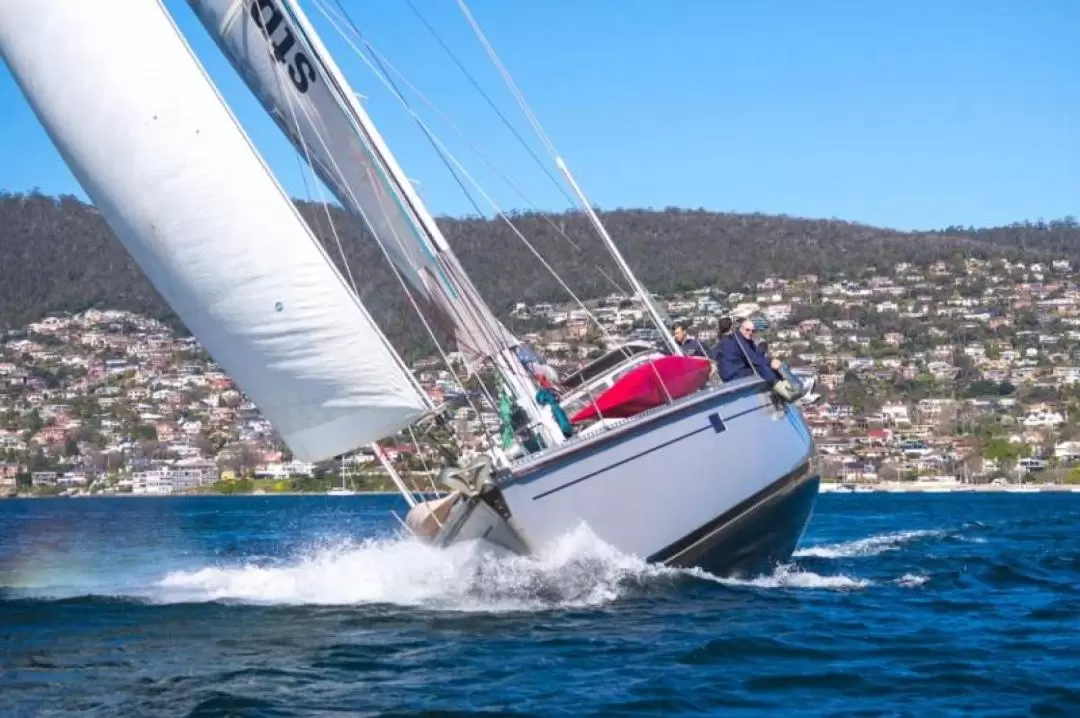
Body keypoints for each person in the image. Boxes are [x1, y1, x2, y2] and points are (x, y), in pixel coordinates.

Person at [714, 318, 781, 384]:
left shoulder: (724, 342)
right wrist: (770, 362)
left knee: (762, 366)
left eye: (753, 331)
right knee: (762, 367)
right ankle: (778, 384)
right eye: (747, 330)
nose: (750, 333)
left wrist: (762, 349)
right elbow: (752, 358)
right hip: (736, 374)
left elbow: (753, 355)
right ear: (740, 329)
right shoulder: (738, 340)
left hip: (728, 375)